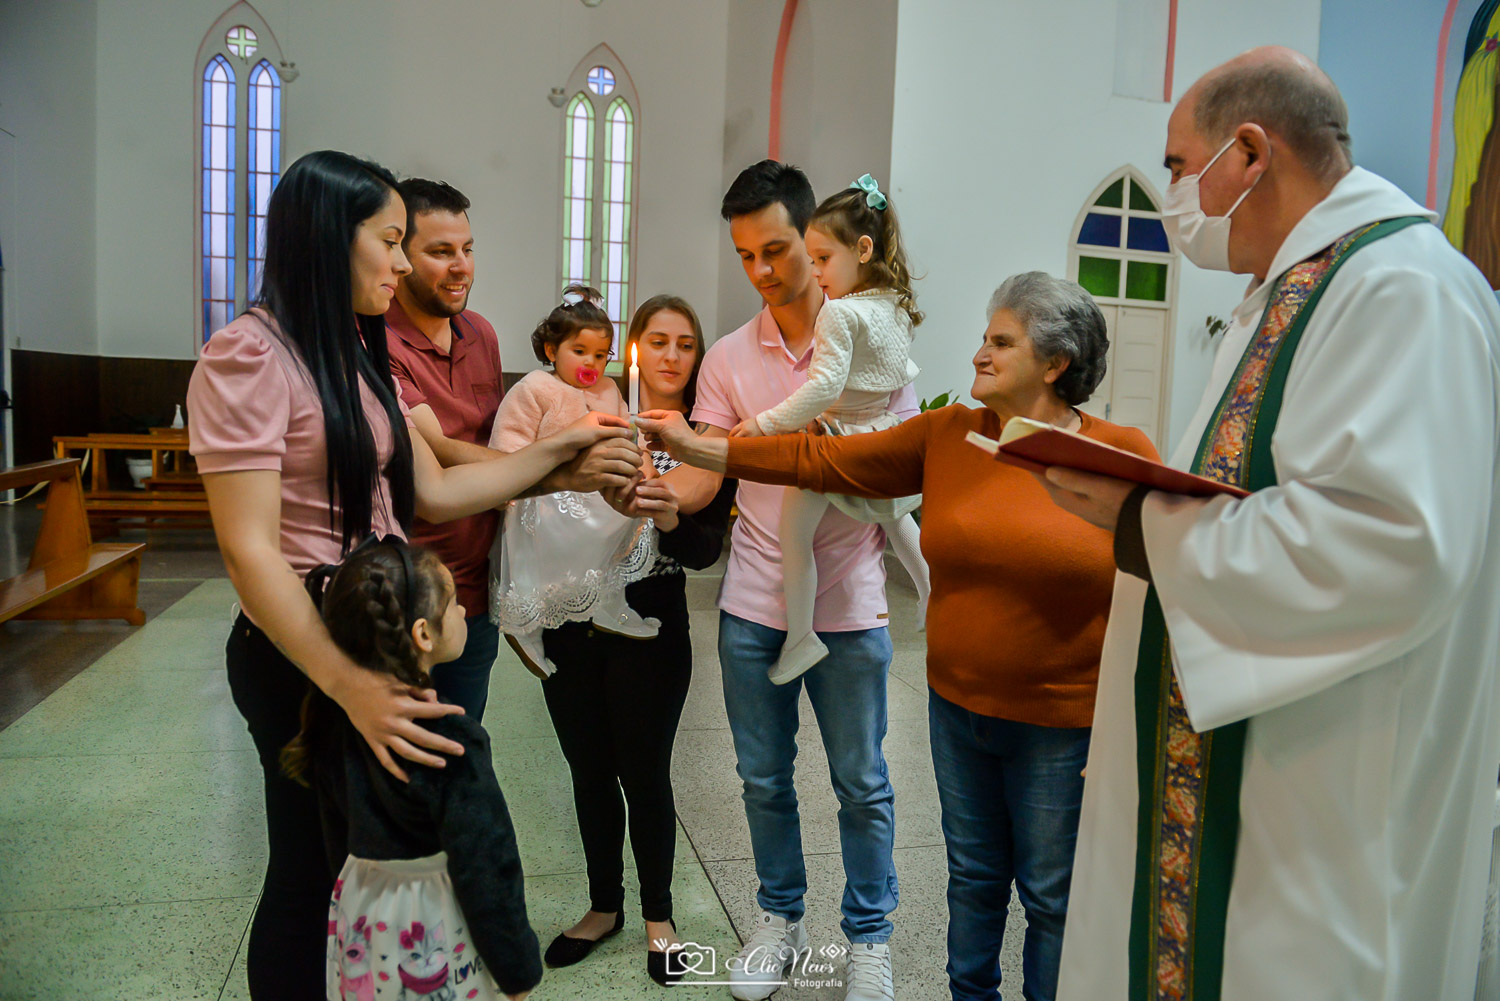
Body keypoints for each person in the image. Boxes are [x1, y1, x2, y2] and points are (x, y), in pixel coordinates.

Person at [1031, 49, 1500, 1001]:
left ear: (1249, 153)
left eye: (1178, 166)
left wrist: (1140, 520)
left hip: (1322, 811)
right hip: (1252, 786)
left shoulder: (1401, 287)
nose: (1172, 196)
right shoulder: (1293, 291)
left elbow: (1392, 546)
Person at [187, 150, 641, 1000]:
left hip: (380, 637)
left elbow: (433, 488)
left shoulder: (352, 353)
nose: (400, 264)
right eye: (391, 240)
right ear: (330, 237)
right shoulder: (246, 355)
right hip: (304, 648)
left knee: (365, 861)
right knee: (307, 867)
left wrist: (567, 454)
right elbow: (250, 552)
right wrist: (350, 683)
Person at [640, 272, 1157, 1001]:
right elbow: (818, 460)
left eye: (1001, 341)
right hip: (959, 714)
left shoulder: (1121, 452)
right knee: (973, 880)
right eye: (984, 336)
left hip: (1062, 725)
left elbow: (1157, 583)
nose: (978, 353)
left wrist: (1128, 730)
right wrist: (698, 448)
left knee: (1050, 897)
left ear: (1055, 363)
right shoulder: (952, 435)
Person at [658, 160, 913, 1001]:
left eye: (775, 250)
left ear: (815, 241)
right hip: (753, 602)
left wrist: (828, 449)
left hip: (852, 603)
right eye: (745, 256)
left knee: (862, 783)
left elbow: (904, 463)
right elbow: (705, 470)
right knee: (762, 778)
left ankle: (869, 937)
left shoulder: (871, 333)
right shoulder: (730, 356)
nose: (762, 270)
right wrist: (652, 493)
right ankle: (779, 917)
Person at [537, 294, 737, 987]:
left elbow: (706, 550)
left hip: (652, 631)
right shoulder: (592, 415)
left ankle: (659, 917)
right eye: (658, 341)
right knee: (588, 771)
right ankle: (603, 907)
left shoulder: (706, 440)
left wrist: (671, 516)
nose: (671, 356)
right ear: (635, 348)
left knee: (644, 774)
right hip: (570, 623)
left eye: (686, 343)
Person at [280, 540, 541, 1001]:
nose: (463, 612)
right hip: (431, 922)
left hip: (361, 912)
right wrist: (518, 972)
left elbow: (335, 834)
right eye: (453, 602)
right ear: (423, 634)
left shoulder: (336, 719)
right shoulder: (452, 738)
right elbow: (487, 865)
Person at [731, 175, 931, 685]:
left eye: (822, 258)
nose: (817, 271)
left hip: (834, 442)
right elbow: (893, 376)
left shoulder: (838, 313)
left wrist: (763, 425)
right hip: (879, 433)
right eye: (813, 259)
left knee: (795, 535)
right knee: (897, 519)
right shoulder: (894, 304)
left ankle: (801, 638)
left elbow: (821, 390)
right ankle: (932, 588)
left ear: (862, 249)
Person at [486, 285, 659, 677]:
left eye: (600, 355)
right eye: (579, 351)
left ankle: (608, 602)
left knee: (631, 510)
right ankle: (526, 624)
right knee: (535, 529)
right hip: (546, 493)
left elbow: (628, 432)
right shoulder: (535, 387)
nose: (591, 363)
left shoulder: (608, 389)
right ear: (551, 350)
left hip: (596, 492)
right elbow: (508, 447)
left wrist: (641, 459)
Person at [385, 177, 505, 719]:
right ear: (400, 257)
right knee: (403, 751)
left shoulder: (480, 333)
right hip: (405, 592)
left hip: (475, 594)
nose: (461, 267)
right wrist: (555, 465)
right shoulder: (376, 340)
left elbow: (495, 438)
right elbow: (436, 450)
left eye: (467, 249)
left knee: (464, 740)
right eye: (440, 252)